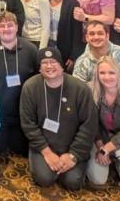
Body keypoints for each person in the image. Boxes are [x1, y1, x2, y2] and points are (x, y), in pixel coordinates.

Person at [20, 46, 96, 190]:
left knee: (72, 182)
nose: (49, 66)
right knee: (45, 179)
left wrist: (73, 156)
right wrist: (47, 152)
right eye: (44, 63)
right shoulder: (30, 87)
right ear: (39, 68)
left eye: (53, 62)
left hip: (71, 146)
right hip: (44, 146)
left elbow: (89, 125)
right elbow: (28, 124)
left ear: (61, 65)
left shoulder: (80, 89)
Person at [0, 12, 40, 156]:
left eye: (10, 25)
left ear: (17, 27)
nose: (6, 29)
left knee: (21, 150)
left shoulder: (31, 50)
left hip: (22, 113)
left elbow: (39, 80)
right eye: (2, 26)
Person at [86, 56, 120, 187]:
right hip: (98, 138)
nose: (107, 77)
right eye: (102, 73)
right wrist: (100, 147)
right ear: (97, 74)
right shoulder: (90, 91)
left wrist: (105, 150)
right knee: (98, 180)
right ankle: (110, 156)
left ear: (119, 73)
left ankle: (118, 159)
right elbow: (92, 125)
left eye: (111, 72)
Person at [74, 20, 120, 88]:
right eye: (92, 34)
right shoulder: (81, 62)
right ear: (87, 37)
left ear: (107, 36)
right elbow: (78, 89)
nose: (96, 37)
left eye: (100, 33)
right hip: (94, 100)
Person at [46, 0, 83, 68]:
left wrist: (73, 56)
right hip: (47, 44)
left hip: (64, 48)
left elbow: (77, 32)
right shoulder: (44, 0)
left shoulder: (72, 3)